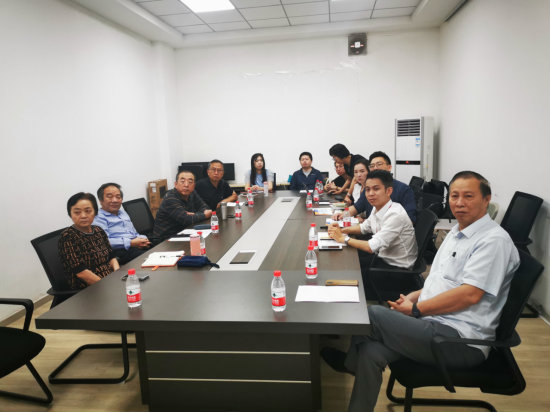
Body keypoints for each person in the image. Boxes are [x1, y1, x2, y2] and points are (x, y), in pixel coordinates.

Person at [322, 171, 520, 412]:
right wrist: (414, 297)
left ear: (486, 200)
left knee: (373, 314)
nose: (459, 202)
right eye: (454, 196)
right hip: (434, 324)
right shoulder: (457, 233)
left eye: (468, 196)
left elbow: (470, 295)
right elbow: (439, 280)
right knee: (370, 351)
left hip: (459, 341)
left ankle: (348, 363)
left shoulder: (493, 241)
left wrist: (416, 309)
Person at [328, 170, 418, 270]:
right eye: (367, 189)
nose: (370, 193)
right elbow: (363, 228)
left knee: (347, 267)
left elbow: (371, 247)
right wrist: (341, 231)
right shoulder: (377, 207)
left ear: (389, 191)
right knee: (344, 259)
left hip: (396, 268)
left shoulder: (395, 215)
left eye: (376, 189)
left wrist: (343, 238)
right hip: (381, 257)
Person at [332, 151, 417, 224]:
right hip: (371, 231)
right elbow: (357, 207)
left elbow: (410, 219)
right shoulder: (369, 188)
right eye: (372, 166)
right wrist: (343, 214)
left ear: (389, 167)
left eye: (379, 164)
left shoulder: (404, 189)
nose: (375, 168)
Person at [59, 192, 120, 291]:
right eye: (77, 212)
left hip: (109, 280)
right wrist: (108, 287)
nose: (83, 216)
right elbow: (81, 273)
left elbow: (111, 257)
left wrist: (118, 274)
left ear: (95, 212)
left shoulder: (99, 230)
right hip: (88, 288)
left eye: (88, 211)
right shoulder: (68, 237)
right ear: (70, 214)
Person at [92, 183, 151, 266]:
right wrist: (130, 243)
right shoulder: (98, 218)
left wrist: (143, 240)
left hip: (136, 246)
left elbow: (134, 233)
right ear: (100, 200)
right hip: (120, 251)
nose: (115, 200)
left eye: (118, 197)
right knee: (152, 259)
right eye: (110, 197)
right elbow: (104, 242)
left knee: (162, 252)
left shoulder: (123, 213)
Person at [153, 171, 212, 239]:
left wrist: (194, 215)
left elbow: (206, 208)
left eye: (190, 182)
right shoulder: (170, 198)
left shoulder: (192, 193)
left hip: (184, 232)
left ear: (194, 185)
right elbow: (186, 220)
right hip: (165, 239)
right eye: (182, 181)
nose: (186, 185)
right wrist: (205, 215)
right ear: (176, 184)